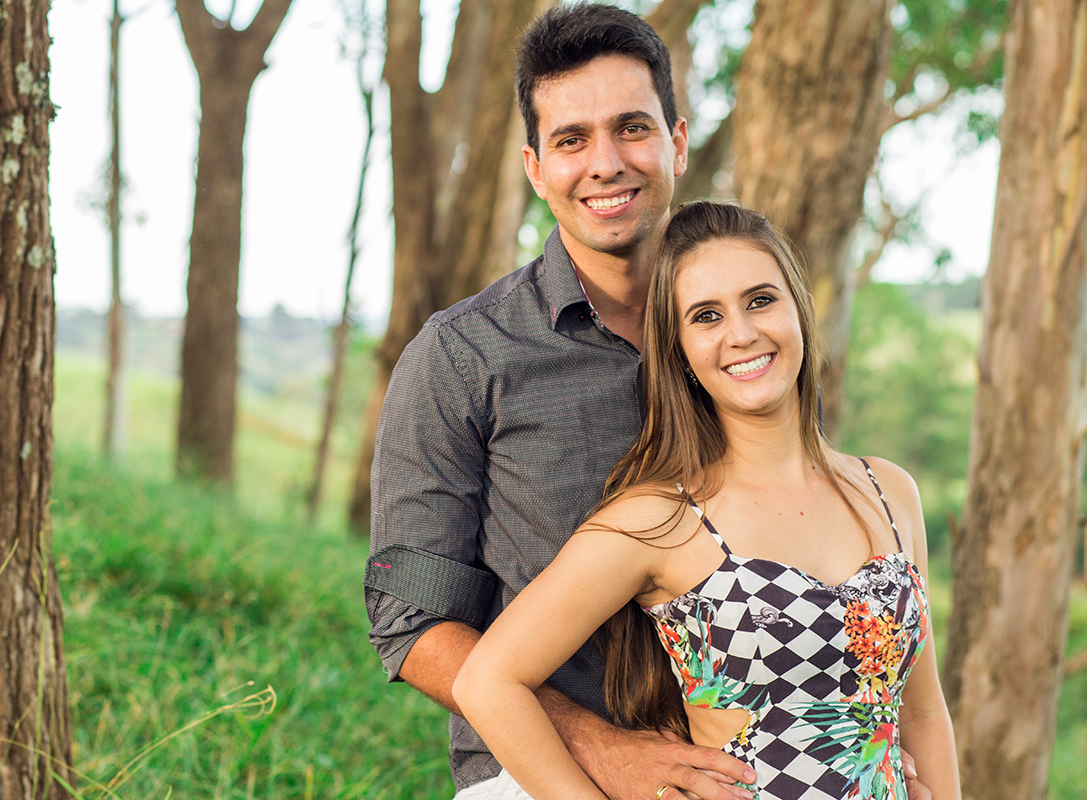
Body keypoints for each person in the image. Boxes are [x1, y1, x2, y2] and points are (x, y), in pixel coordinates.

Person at [365, 6, 932, 800]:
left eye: (632, 128)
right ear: (535, 168)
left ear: (677, 142)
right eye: (571, 140)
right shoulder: (464, 356)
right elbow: (411, 622)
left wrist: (857, 749)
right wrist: (605, 750)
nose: (606, 163)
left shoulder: (742, 345)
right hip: (539, 775)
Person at [452, 201, 961, 800]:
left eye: (761, 300)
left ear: (800, 308)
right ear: (680, 351)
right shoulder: (661, 519)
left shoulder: (889, 491)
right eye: (706, 316)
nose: (740, 334)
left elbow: (922, 711)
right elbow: (488, 682)